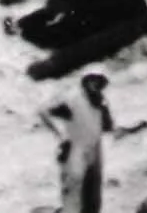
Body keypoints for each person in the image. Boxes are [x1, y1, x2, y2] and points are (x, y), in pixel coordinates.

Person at [49, 70, 111, 213]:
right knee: (73, 195)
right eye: (93, 81)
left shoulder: (100, 102)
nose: (96, 85)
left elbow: (108, 127)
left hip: (94, 149)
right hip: (76, 148)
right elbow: (45, 112)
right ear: (86, 82)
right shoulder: (73, 100)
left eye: (99, 82)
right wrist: (61, 135)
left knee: (93, 197)